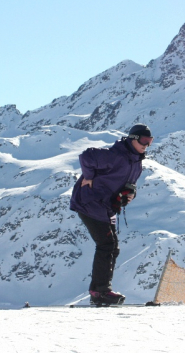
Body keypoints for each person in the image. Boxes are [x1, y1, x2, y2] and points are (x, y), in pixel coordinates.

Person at [69, 123, 153, 305]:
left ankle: (99, 291)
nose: (146, 145)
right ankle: (100, 292)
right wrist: (89, 177)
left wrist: (129, 194)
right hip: (89, 203)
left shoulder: (136, 163)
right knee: (107, 245)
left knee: (112, 247)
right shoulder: (116, 155)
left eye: (150, 141)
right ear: (133, 139)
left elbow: (130, 185)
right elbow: (86, 157)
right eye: (144, 141)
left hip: (105, 207)